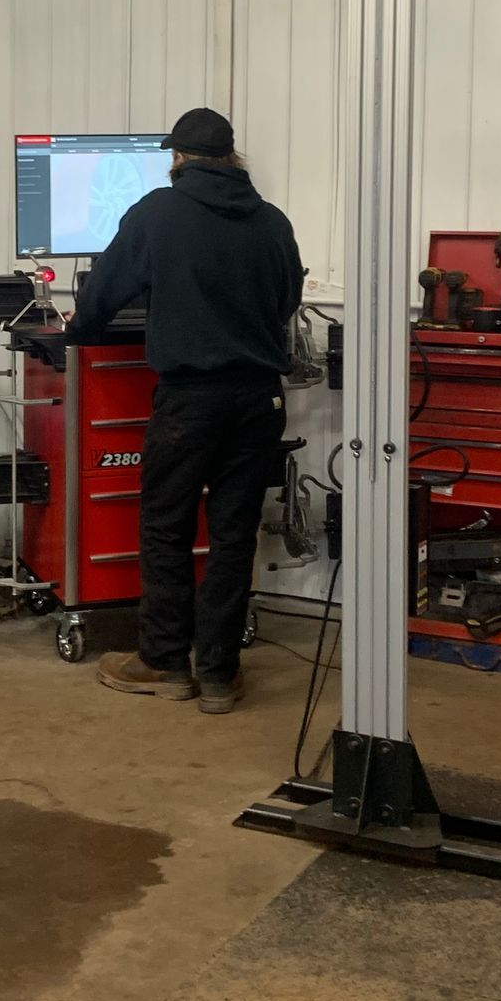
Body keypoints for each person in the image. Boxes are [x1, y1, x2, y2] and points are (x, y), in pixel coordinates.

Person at [64, 108, 304, 714]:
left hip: (190, 400)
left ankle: (165, 662)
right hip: (258, 399)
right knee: (233, 533)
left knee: (167, 526)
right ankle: (220, 673)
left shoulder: (156, 212)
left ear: (177, 157)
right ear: (232, 157)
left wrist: (80, 329)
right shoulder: (273, 222)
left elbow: (99, 298)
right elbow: (286, 303)